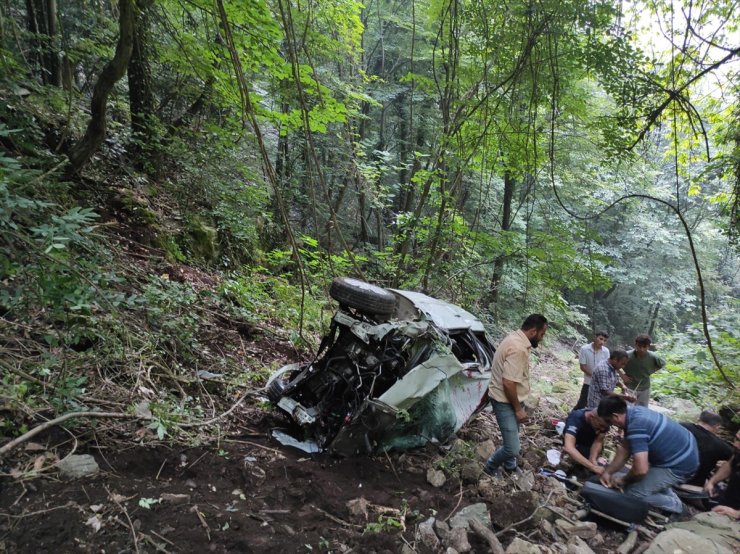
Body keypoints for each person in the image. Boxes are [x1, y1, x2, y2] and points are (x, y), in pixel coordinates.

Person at [597, 396, 698, 513]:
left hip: (680, 464)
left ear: (615, 416)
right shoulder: (634, 413)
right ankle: (666, 492)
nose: (612, 425)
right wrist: (608, 472)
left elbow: (640, 470)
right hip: (678, 453)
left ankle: (677, 507)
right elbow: (624, 449)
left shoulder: (637, 426)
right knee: (639, 482)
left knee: (633, 493)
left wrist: (623, 480)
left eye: (609, 421)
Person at [484, 314, 549, 477]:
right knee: (512, 447)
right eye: (542, 334)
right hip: (504, 400)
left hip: (508, 398)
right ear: (533, 331)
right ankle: (490, 467)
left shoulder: (514, 337)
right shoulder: (518, 348)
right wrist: (518, 409)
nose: (541, 339)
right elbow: (508, 382)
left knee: (514, 434)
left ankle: (510, 465)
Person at [680, 411, 733, 487]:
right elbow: (734, 461)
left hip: (667, 476)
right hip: (692, 486)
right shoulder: (721, 446)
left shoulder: (680, 426)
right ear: (717, 426)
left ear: (699, 420)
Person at [705, 429, 740, 518]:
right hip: (727, 502)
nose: (736, 445)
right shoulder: (738, 451)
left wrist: (737, 513)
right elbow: (730, 465)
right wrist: (712, 482)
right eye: (736, 439)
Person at [562, 407, 608, 475]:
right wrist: (593, 467)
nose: (602, 429)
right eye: (601, 425)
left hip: (588, 445)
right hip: (575, 445)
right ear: (591, 417)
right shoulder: (576, 418)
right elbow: (569, 448)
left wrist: (593, 459)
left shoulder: (603, 422)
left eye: (605, 427)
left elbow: (598, 441)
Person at [622, 334, 665, 407]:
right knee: (626, 410)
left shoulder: (653, 356)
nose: (641, 349)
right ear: (635, 345)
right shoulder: (627, 355)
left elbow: (662, 363)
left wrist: (651, 371)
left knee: (642, 411)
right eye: (639, 346)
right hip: (629, 387)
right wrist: (622, 375)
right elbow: (613, 364)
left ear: (648, 346)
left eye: (644, 347)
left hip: (645, 388)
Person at [573, 331, 610, 410]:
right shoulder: (585, 349)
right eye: (601, 339)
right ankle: (571, 419)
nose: (602, 342)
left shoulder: (606, 351)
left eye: (605, 340)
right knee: (582, 404)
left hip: (601, 384)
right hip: (588, 382)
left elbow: (608, 366)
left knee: (597, 407)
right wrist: (595, 376)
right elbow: (583, 366)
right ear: (595, 337)